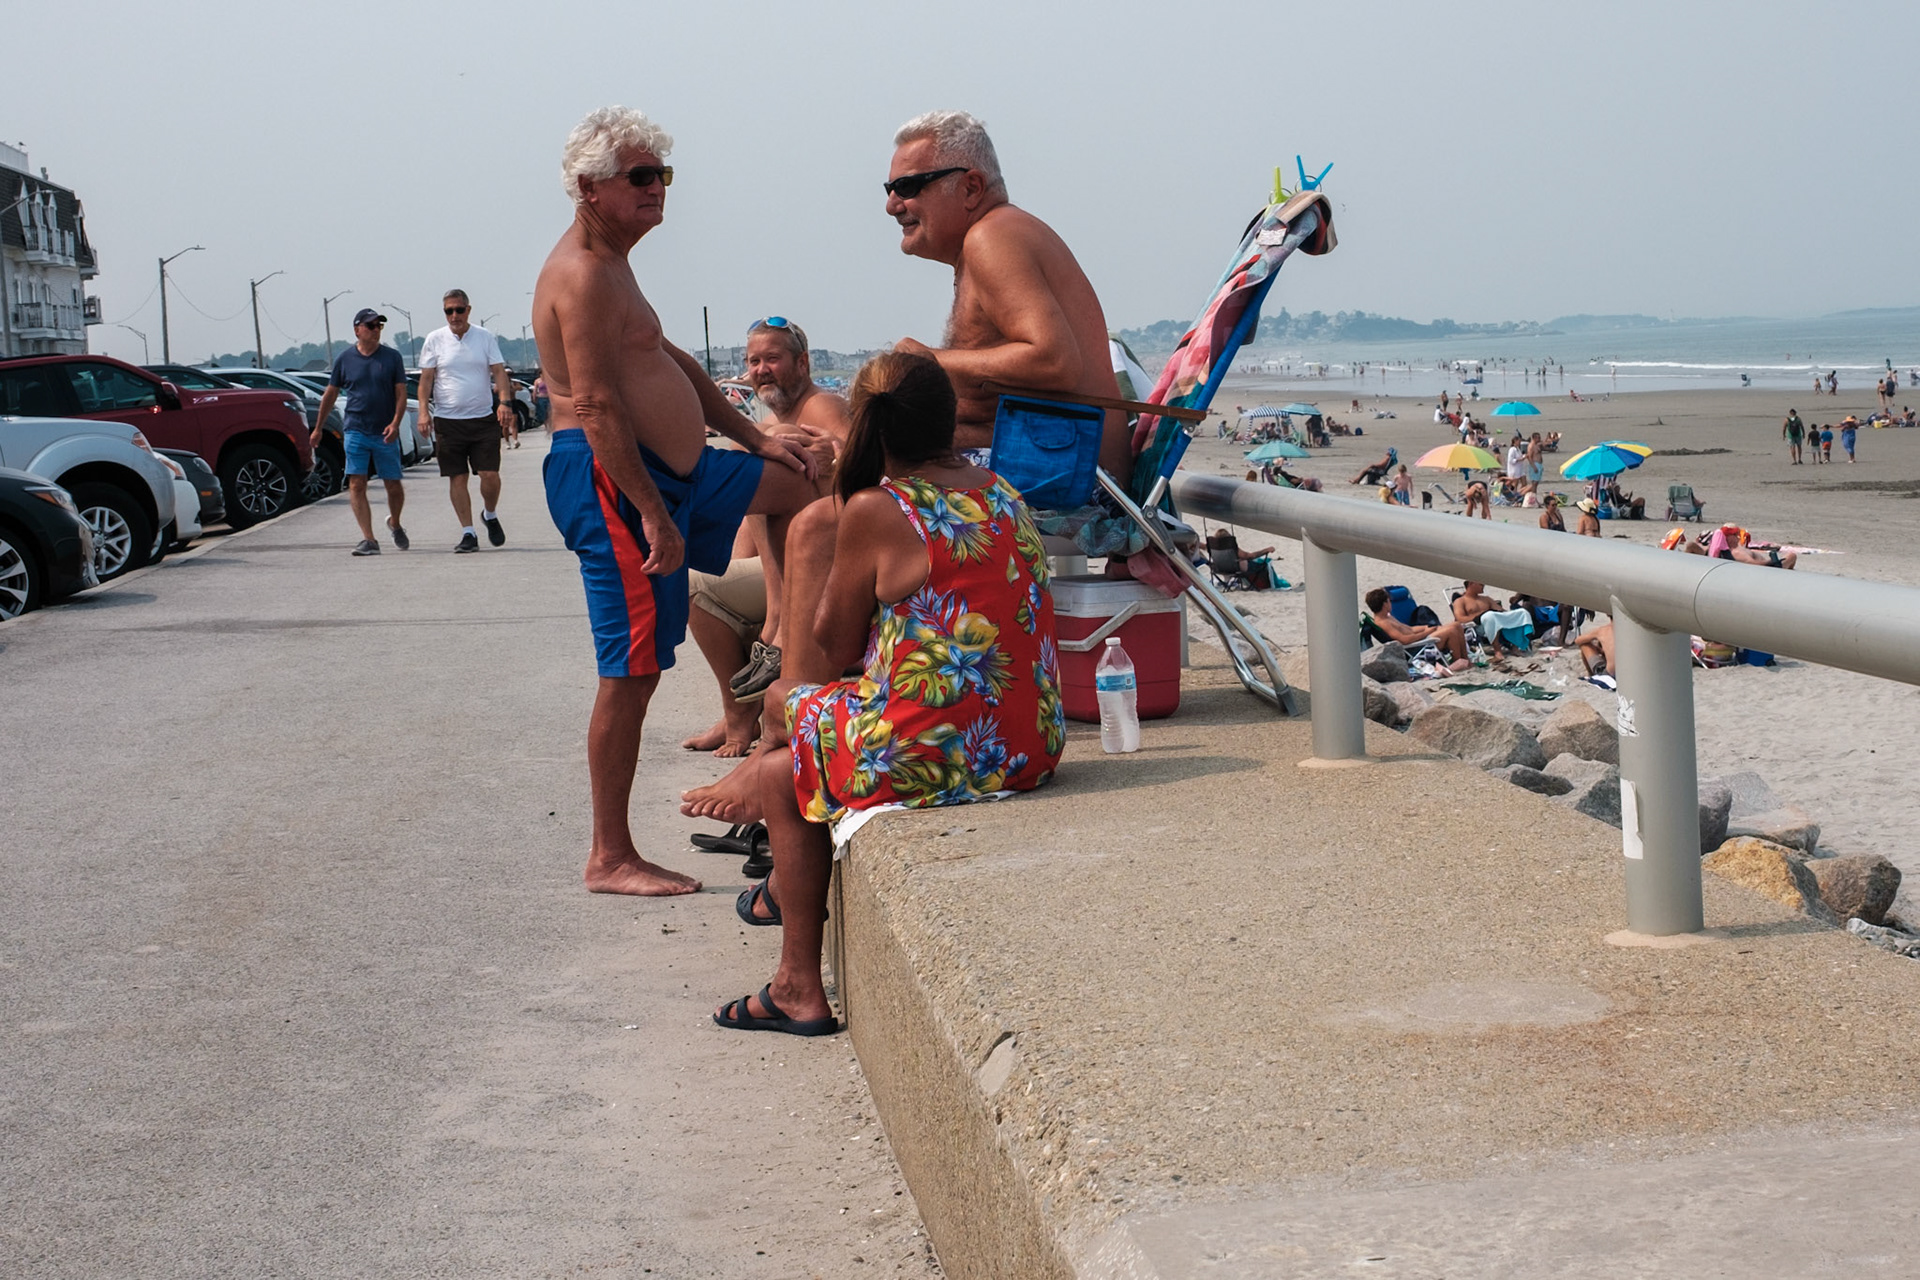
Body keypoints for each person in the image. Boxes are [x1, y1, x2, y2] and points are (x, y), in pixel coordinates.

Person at [711, 352, 1064, 1036]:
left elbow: (836, 649)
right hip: (1028, 744)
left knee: (786, 710)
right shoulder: (1001, 491)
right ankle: (785, 899)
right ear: (946, 420)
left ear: (868, 422)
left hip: (948, 755)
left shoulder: (879, 509)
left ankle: (796, 982)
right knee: (800, 746)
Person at [530, 106, 823, 898]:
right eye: (640, 176)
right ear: (590, 187)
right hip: (616, 483)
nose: (658, 188)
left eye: (663, 174)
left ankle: (793, 644)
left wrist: (757, 439)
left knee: (807, 479)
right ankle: (610, 855)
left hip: (680, 474)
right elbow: (593, 405)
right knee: (630, 673)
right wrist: (653, 515)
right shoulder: (583, 273)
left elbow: (673, 362)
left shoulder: (616, 261)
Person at [683, 317, 850, 754]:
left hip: (826, 563)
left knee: (772, 444)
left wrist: (833, 448)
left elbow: (861, 462)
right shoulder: (774, 419)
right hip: (789, 562)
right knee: (703, 591)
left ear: (802, 362)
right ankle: (738, 712)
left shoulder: (823, 405)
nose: (761, 370)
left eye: (772, 358)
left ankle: (764, 660)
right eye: (754, 361)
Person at [417, 289, 515, 552]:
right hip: (448, 421)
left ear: (468, 310)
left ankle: (490, 514)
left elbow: (498, 372)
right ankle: (468, 533)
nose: (454, 315)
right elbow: (426, 379)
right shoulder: (434, 340)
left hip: (482, 419)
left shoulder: (484, 338)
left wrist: (505, 403)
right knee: (457, 478)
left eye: (459, 310)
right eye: (449, 310)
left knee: (489, 475)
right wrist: (424, 412)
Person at [312, 308, 409, 556]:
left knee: (393, 485)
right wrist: (318, 428)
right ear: (357, 330)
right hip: (356, 429)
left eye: (379, 326)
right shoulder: (345, 360)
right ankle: (369, 539)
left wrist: (396, 422)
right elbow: (331, 394)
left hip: (384, 431)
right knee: (356, 484)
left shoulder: (392, 358)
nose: (376, 330)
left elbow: (400, 393)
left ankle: (395, 523)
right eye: (371, 326)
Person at [1365, 587, 1471, 672]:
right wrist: (1427, 632)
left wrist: (1426, 627)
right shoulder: (1383, 623)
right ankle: (1458, 662)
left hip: (1419, 641)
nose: (1390, 603)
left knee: (1456, 625)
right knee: (1451, 631)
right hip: (1415, 649)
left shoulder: (1387, 617)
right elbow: (1404, 640)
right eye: (1389, 601)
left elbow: (1410, 629)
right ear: (1384, 604)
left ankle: (1465, 660)